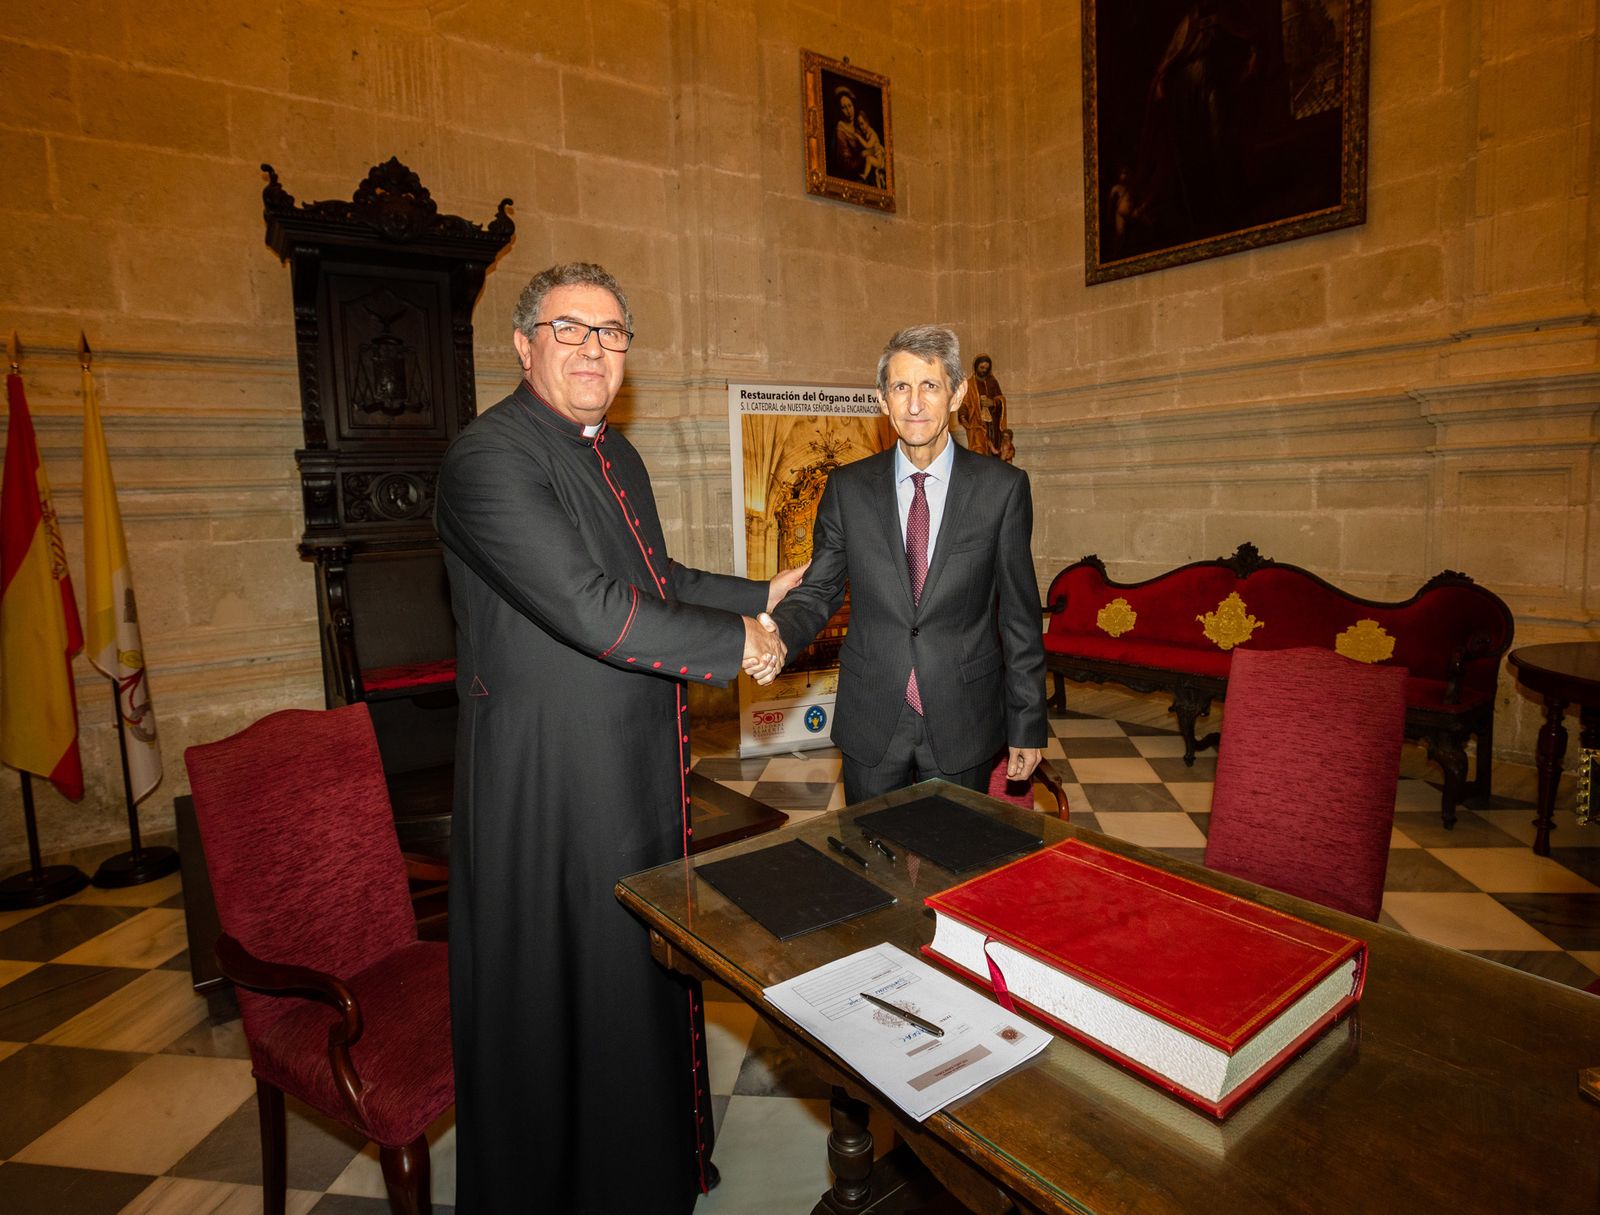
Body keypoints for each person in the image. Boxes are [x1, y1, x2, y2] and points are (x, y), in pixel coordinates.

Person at [435, 261, 797, 1214]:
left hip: (632, 768)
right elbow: (593, 610)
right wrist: (741, 644)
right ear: (524, 345)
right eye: (571, 330)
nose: (594, 349)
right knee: (568, 990)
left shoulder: (614, 451)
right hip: (548, 785)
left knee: (634, 971)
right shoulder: (490, 458)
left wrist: (762, 593)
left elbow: (656, 573)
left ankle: (646, 1173)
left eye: (612, 333)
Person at [769, 325, 1046, 804]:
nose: (914, 403)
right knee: (870, 863)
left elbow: (1019, 616)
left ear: (957, 394)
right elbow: (819, 590)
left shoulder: (1002, 490)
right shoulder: (848, 489)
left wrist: (1027, 721)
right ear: (883, 399)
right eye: (900, 387)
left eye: (929, 386)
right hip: (873, 713)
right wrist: (775, 641)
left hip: (964, 714)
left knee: (955, 860)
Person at [958, 353, 1007, 457]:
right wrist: (962, 415)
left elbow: (1001, 400)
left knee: (993, 453)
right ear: (976, 366)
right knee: (978, 451)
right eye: (982, 367)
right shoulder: (970, 384)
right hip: (977, 423)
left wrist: (993, 403)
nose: (984, 370)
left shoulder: (992, 382)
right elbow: (965, 403)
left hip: (992, 424)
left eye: (986, 368)